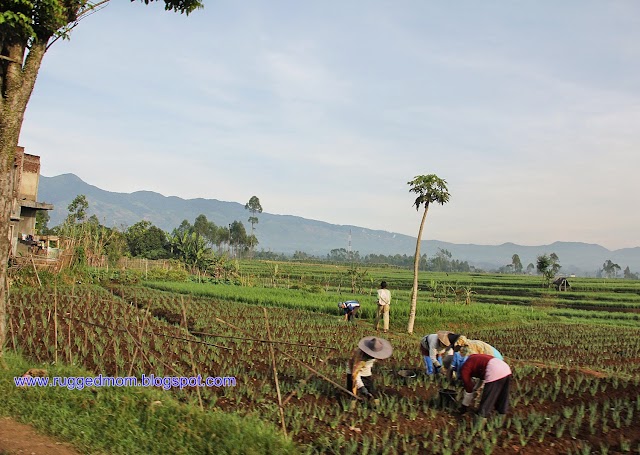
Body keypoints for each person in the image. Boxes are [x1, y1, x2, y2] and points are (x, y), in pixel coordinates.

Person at [456, 353, 512, 418]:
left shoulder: (464, 369)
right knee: (503, 394)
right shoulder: (472, 357)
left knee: (489, 396)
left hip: (494, 369)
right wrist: (475, 388)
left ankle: (481, 418)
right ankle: (501, 414)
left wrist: (464, 406)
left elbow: (469, 389)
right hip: (505, 368)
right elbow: (481, 377)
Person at [346, 336, 393, 401]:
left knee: (370, 389)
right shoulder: (360, 359)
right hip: (353, 370)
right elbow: (355, 375)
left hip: (365, 370)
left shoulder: (372, 356)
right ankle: (351, 407)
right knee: (353, 392)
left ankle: (375, 404)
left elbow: (368, 365)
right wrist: (361, 387)